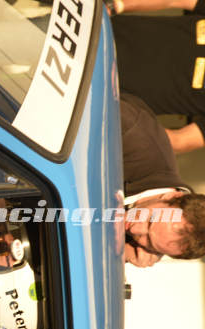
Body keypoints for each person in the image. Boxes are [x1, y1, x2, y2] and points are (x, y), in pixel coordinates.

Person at [109, 0, 205, 153]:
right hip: (101, 36)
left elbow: (178, 141)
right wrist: (116, 5)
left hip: (104, 93)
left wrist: (112, 126)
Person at [121, 93, 205, 266]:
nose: (135, 229)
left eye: (149, 242)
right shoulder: (131, 133)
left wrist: (120, 255)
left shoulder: (136, 245)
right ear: (172, 196)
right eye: (149, 221)